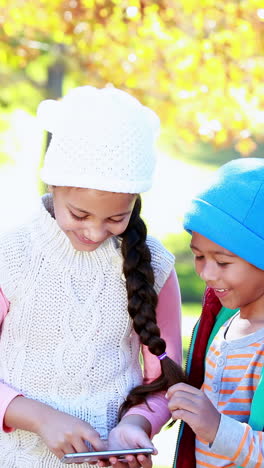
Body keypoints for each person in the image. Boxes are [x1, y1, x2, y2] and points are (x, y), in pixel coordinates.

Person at [0, 85, 185, 468]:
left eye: (116, 218)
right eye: (80, 214)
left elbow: (165, 382)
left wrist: (136, 425)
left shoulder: (155, 268)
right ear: (53, 184)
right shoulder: (12, 256)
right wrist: (37, 417)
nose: (96, 231)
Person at [167, 157, 264, 468]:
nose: (207, 274)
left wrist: (216, 427)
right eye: (198, 256)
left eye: (223, 262)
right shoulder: (220, 323)